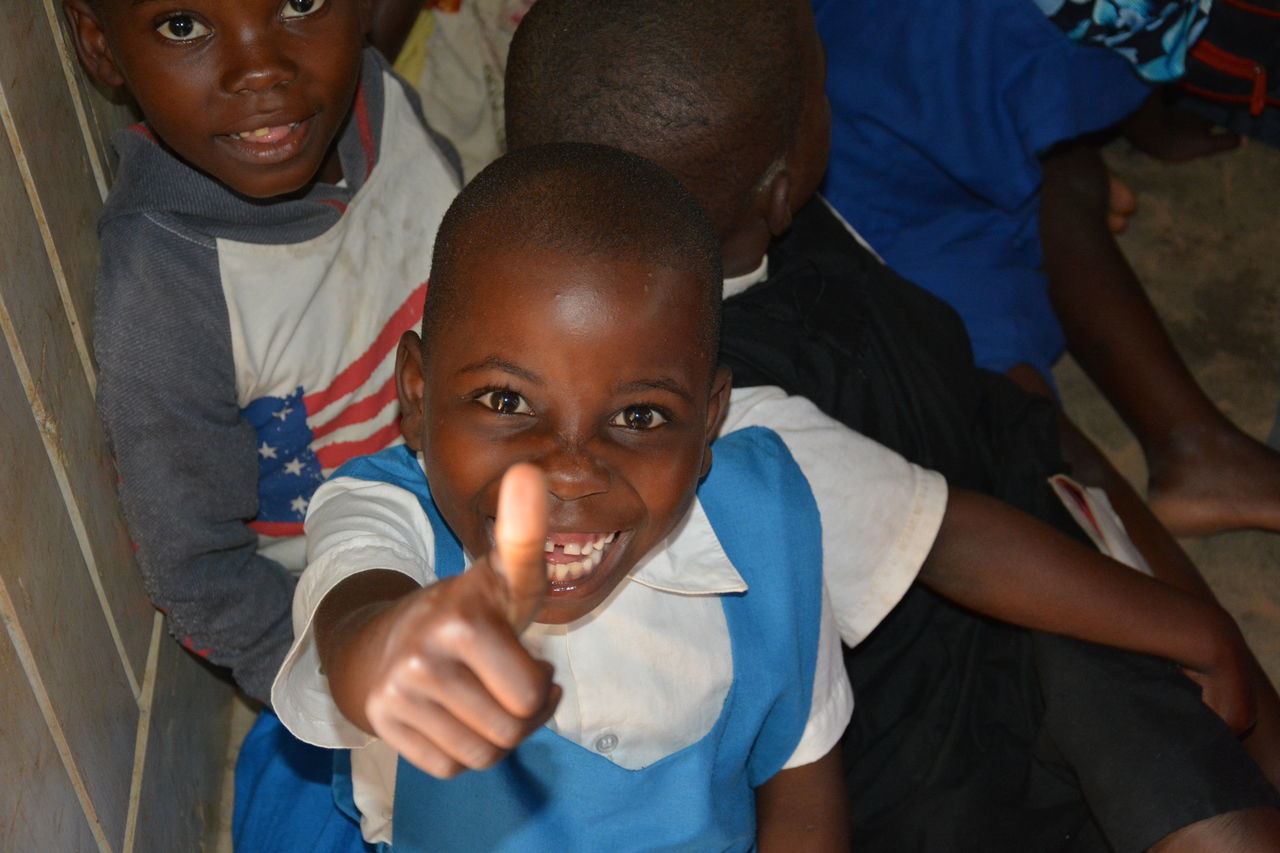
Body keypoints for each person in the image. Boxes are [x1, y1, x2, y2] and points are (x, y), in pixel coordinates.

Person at [276, 140, 1276, 852]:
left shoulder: (768, 525)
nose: (569, 469)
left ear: (711, 419)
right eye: (505, 401)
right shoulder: (386, 515)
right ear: (413, 399)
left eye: (637, 416)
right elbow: (353, 605)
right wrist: (388, 647)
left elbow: (797, 780)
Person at [502, 0, 1280, 848]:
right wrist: (1200, 633)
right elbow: (960, 543)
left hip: (948, 603)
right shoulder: (726, 420)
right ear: (786, 178)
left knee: (1028, 425)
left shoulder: (719, 264)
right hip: (924, 743)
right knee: (1159, 703)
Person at [61, 0, 461, 847]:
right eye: (183, 26)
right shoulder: (167, 285)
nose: (261, 68)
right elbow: (197, 571)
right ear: (100, 46)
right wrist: (342, 675)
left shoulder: (382, 103)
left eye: (301, 2)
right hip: (339, 627)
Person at [813, 0, 1280, 538]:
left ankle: (1193, 450)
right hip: (882, 148)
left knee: (1060, 175)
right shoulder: (890, 116)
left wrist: (1139, 125)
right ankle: (1182, 495)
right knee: (1006, 412)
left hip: (938, 89)